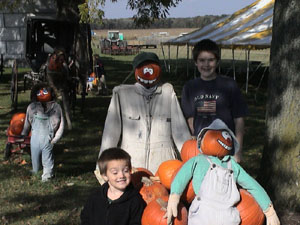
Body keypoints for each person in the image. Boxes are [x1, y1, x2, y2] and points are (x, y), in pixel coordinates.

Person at [95, 52, 191, 179]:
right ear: (135, 70)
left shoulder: (167, 93)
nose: (148, 72)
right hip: (132, 164)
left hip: (163, 166)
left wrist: (191, 163)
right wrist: (102, 167)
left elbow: (180, 132)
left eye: (152, 67)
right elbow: (111, 133)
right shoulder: (122, 94)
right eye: (143, 68)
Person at [166, 119, 280, 225]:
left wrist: (269, 210)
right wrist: (174, 196)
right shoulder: (199, 160)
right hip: (202, 215)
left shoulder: (232, 165)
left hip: (227, 217)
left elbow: (251, 185)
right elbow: (182, 175)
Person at [181, 39, 248, 162]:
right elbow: (190, 119)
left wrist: (238, 151)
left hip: (226, 146)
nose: (206, 65)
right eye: (202, 60)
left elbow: (239, 119)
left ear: (217, 62)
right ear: (195, 62)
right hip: (201, 148)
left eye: (210, 60)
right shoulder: (189, 87)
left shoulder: (229, 85)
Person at [81, 147, 146, 225]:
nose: (121, 175)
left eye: (126, 171)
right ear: (104, 176)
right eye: (115, 172)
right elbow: (85, 218)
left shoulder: (135, 201)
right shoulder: (95, 197)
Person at [21, 83, 64, 182]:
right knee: (34, 158)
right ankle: (36, 171)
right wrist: (23, 136)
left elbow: (61, 125)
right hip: (34, 139)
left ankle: (47, 176)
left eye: (45, 92)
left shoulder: (56, 108)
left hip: (48, 139)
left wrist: (55, 139)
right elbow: (27, 124)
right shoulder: (32, 107)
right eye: (39, 92)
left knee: (47, 159)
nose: (42, 94)